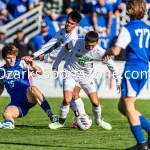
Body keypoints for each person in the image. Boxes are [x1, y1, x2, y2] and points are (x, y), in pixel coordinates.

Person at [22, 10, 87, 129]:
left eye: (71, 23)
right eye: (67, 22)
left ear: (76, 25)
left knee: (75, 94)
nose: (68, 24)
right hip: (69, 66)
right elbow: (50, 43)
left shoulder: (73, 37)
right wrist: (34, 55)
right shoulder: (62, 31)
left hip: (79, 67)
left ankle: (82, 118)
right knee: (71, 95)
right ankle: (80, 118)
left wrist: (45, 57)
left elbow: (61, 51)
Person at [48, 31, 120, 130]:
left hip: (86, 77)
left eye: (93, 45)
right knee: (67, 99)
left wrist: (118, 81)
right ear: (85, 40)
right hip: (70, 72)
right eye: (89, 45)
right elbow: (64, 50)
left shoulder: (100, 51)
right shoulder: (76, 42)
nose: (90, 48)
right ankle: (60, 122)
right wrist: (56, 64)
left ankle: (98, 121)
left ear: (97, 42)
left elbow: (112, 65)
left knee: (95, 102)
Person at [102, 0, 150, 149]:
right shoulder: (148, 28)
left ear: (129, 10)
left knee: (128, 106)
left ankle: (141, 145)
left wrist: (106, 52)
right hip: (144, 68)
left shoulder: (128, 28)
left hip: (132, 69)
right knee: (123, 106)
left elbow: (116, 51)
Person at [0, 45, 58, 129]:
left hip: (28, 95)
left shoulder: (21, 63)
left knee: (33, 88)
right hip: (17, 103)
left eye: (13, 57)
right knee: (6, 114)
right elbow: (0, 87)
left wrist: (33, 66)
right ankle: (8, 124)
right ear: (4, 58)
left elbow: (40, 72)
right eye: (9, 58)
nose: (12, 60)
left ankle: (50, 115)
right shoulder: (2, 71)